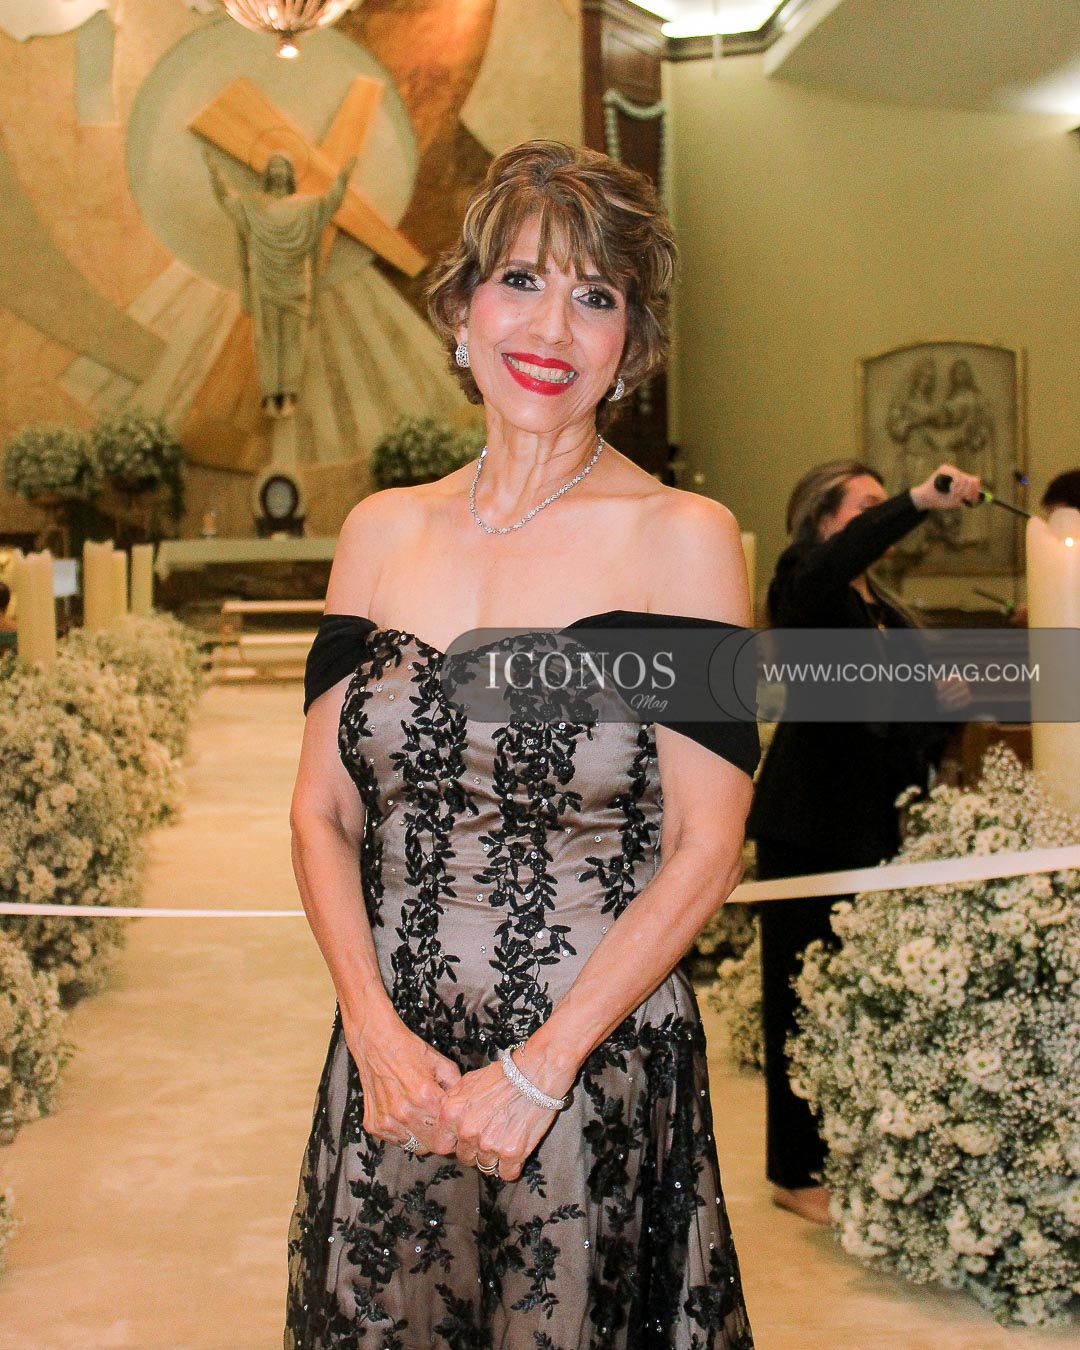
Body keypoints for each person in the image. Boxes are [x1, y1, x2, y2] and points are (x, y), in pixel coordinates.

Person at [284, 140, 759, 1347]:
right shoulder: (379, 532)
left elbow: (706, 844)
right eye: (522, 280)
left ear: (630, 344)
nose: (553, 326)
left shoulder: (683, 538)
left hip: (590, 1075)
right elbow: (321, 812)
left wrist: (540, 1071)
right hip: (392, 1077)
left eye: (596, 295)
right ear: (461, 311)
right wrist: (373, 1033)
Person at [745, 458, 981, 1226]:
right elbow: (830, 566)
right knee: (799, 1001)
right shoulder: (804, 585)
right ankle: (794, 1172)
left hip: (872, 825)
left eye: (886, 506)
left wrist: (944, 706)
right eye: (865, 506)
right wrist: (916, 499)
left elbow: (897, 726)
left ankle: (846, 1151)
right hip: (808, 825)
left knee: (853, 1003)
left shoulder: (885, 610)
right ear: (823, 520)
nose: (883, 518)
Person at [205, 150, 356, 418]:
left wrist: (342, 178)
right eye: (272, 166)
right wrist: (214, 171)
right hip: (263, 279)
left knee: (293, 338)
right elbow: (226, 199)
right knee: (266, 338)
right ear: (266, 173)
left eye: (282, 166)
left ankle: (289, 392)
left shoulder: (306, 207)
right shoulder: (253, 206)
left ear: (290, 173)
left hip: (295, 281)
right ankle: (269, 392)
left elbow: (329, 204)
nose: (277, 171)